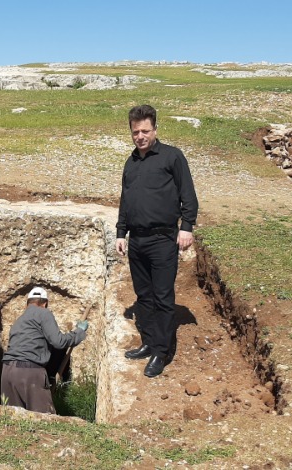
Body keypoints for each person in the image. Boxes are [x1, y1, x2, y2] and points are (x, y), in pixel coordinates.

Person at [114, 104, 199, 378]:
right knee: (144, 296)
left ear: (155, 130)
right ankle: (149, 342)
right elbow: (126, 201)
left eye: (145, 131)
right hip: (137, 241)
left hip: (163, 239)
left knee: (163, 298)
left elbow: (189, 194)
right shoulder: (131, 162)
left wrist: (186, 227)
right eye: (136, 131)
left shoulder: (172, 157)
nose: (140, 136)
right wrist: (120, 232)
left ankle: (162, 352)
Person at [0, 287, 89, 414]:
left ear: (28, 303)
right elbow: (59, 342)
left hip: (7, 372)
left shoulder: (19, 321)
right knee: (45, 419)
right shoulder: (44, 313)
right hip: (29, 372)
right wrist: (79, 332)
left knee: (13, 419)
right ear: (45, 303)